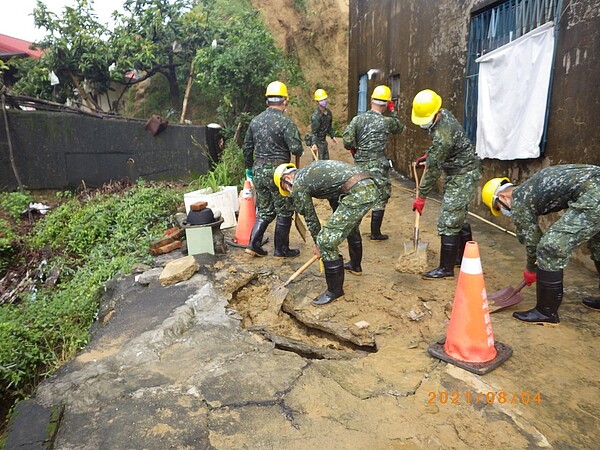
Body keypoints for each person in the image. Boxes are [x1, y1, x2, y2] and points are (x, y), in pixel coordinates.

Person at [482, 164, 600, 325]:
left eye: (498, 208)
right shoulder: (531, 186)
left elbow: (533, 241)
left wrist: (531, 269)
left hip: (594, 195)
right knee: (598, 246)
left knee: (550, 247)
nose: (504, 212)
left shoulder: (520, 201)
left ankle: (546, 312)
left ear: (502, 197)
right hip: (593, 187)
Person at [273, 160, 377, 305]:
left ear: (288, 178)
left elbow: (311, 218)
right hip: (367, 185)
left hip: (358, 192)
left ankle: (334, 291)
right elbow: (334, 196)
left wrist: (319, 244)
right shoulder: (312, 173)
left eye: (284, 187)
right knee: (350, 227)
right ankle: (355, 265)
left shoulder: (298, 184)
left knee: (326, 241)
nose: (289, 192)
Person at [410, 89, 481, 279]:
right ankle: (462, 257)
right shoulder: (443, 116)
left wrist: (422, 196)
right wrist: (430, 155)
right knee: (459, 216)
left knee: (449, 220)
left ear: (437, 111)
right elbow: (440, 151)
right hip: (461, 170)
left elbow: (433, 169)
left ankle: (446, 268)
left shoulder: (442, 136)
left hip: (462, 174)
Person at [243, 81, 304, 258]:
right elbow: (296, 149)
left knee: (265, 210)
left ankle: (253, 244)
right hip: (279, 173)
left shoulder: (255, 121)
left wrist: (249, 168)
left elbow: (247, 148)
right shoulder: (286, 122)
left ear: (267, 101)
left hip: (259, 170)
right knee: (284, 210)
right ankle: (281, 249)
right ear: (285, 101)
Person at [342, 85, 404, 241]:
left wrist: (354, 149)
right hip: (378, 165)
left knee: (359, 195)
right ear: (387, 103)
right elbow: (399, 127)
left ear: (371, 100)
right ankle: (375, 233)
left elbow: (347, 141)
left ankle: (353, 232)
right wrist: (393, 110)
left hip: (360, 164)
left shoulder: (358, 119)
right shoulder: (387, 122)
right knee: (381, 196)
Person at [310, 89, 338, 160]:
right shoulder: (316, 116)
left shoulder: (329, 113)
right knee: (318, 164)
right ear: (317, 102)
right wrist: (314, 144)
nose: (324, 101)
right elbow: (314, 132)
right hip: (318, 143)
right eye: (321, 100)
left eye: (324, 99)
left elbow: (329, 127)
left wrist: (332, 136)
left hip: (324, 142)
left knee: (326, 162)